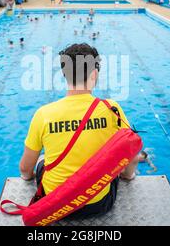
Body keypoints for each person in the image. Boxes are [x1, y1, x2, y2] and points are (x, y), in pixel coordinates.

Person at [19, 43, 140, 220]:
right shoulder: (111, 108)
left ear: (64, 74)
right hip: (99, 205)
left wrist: (27, 178)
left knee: (42, 161)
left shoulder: (43, 114)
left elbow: (24, 167)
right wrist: (128, 176)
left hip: (55, 205)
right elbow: (132, 154)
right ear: (95, 74)